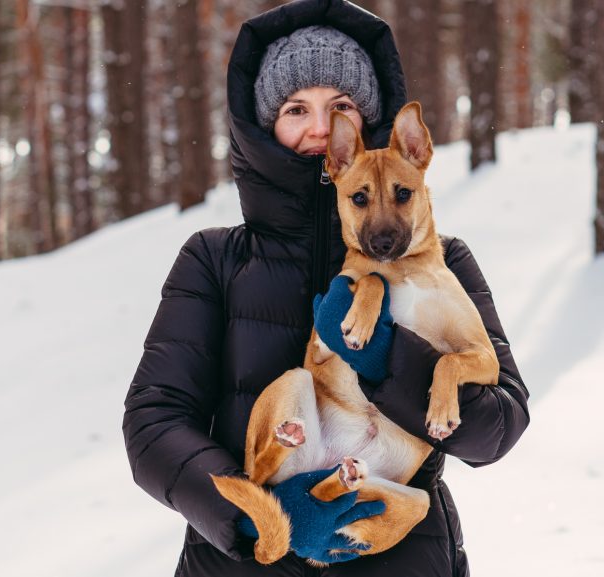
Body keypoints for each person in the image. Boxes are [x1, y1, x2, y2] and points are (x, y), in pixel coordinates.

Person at [122, 1, 530, 575]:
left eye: (339, 105)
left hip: (400, 552)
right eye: (295, 109)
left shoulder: (446, 262)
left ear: (365, 121)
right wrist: (253, 515)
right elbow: (153, 424)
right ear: (264, 123)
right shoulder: (214, 260)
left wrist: (390, 360)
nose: (317, 128)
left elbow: (499, 428)